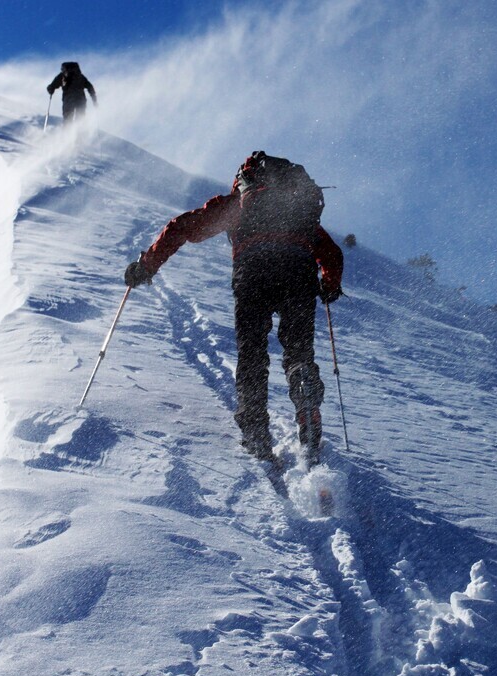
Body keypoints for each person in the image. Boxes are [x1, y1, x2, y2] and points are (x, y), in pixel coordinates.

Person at [124, 151, 343, 475]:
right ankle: (305, 390)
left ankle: (255, 430)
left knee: (252, 351)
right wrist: (329, 285)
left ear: (245, 178)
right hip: (298, 270)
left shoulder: (238, 204)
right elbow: (332, 254)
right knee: (298, 349)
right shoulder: (298, 210)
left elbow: (183, 227)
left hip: (252, 270)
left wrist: (146, 266)